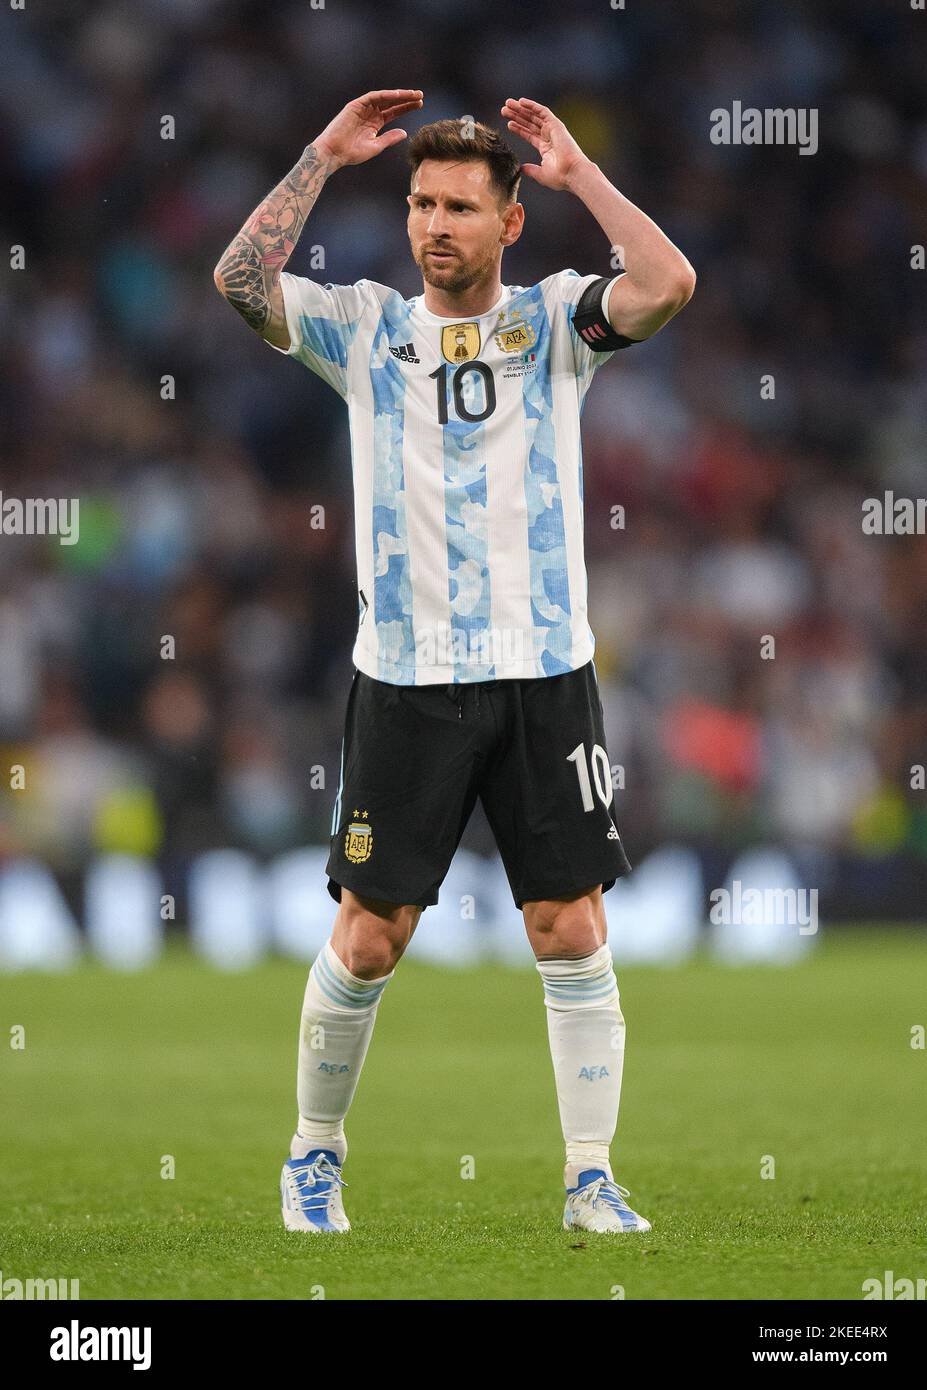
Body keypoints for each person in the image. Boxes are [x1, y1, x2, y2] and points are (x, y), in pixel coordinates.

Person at [214, 89, 695, 1234]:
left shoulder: (557, 325)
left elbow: (668, 284)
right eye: (423, 203)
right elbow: (238, 281)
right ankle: (313, 1156)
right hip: (406, 679)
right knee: (371, 936)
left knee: (568, 926)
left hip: (544, 674)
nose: (436, 224)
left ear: (507, 223)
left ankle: (589, 1177)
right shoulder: (363, 328)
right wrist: (319, 158)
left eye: (462, 207)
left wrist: (580, 173)